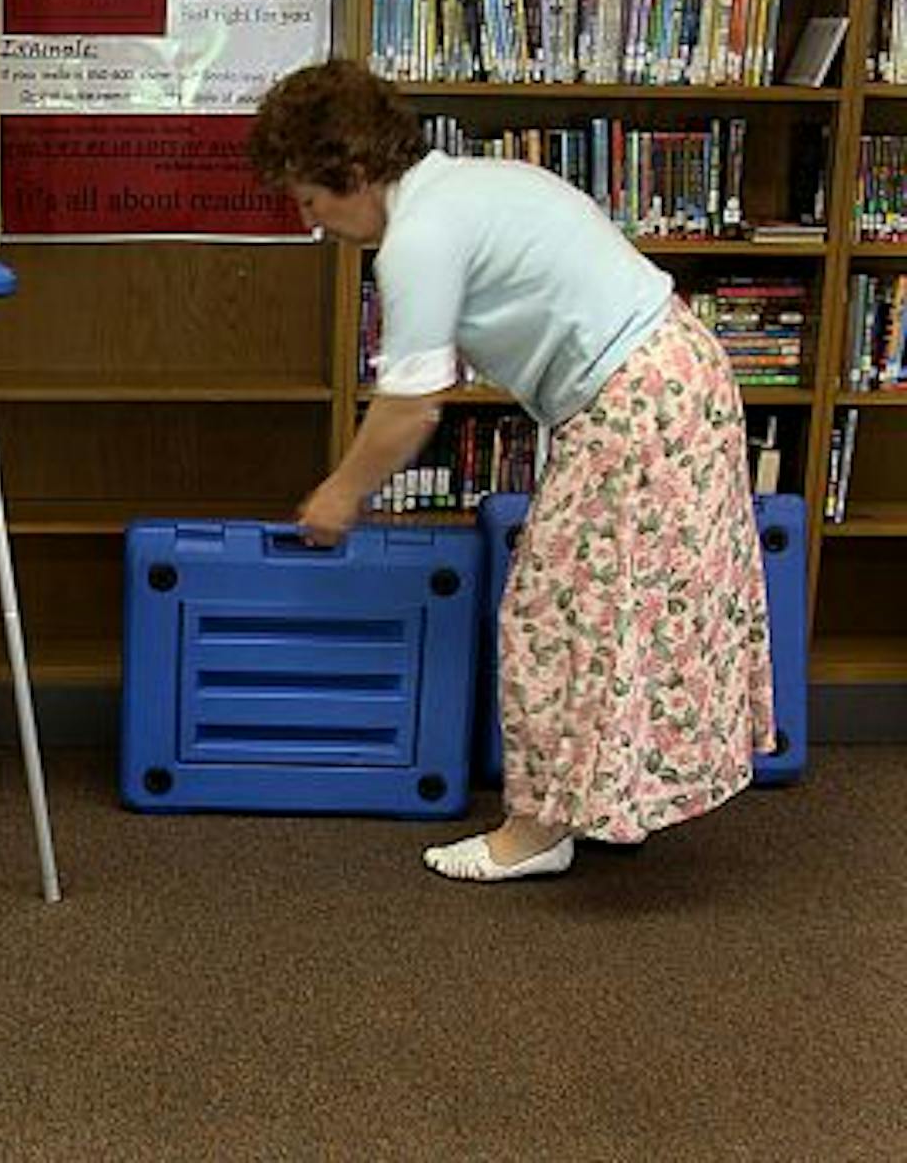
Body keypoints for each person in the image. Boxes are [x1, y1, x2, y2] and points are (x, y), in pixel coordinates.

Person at [249, 59, 775, 883]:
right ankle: (593, 801)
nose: (314, 222)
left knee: (553, 616)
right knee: (624, 610)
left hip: (636, 399)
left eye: (310, 201)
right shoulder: (473, 183)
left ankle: (536, 833)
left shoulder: (420, 235)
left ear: (350, 174)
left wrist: (338, 493)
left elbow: (411, 406)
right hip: (675, 375)